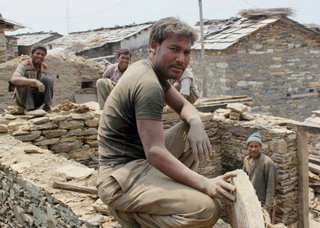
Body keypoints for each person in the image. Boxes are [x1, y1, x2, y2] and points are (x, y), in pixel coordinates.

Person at [97, 17, 236, 228]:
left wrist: (197, 124)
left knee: (188, 128)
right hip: (120, 177)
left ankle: (165, 194)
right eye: (174, 49)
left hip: (140, 163)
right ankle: (129, 214)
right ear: (154, 46)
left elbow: (185, 107)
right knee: (208, 209)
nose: (181, 58)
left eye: (186, 52)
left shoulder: (153, 72)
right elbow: (154, 151)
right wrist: (205, 184)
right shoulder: (148, 85)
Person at [10, 44, 54, 113]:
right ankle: (29, 109)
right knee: (25, 81)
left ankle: (47, 107)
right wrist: (33, 81)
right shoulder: (24, 65)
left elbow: (46, 84)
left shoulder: (44, 67)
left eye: (42, 55)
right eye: (37, 53)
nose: (40, 56)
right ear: (32, 54)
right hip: (23, 100)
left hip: (36, 99)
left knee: (48, 79)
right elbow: (14, 79)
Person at [243, 132, 278, 213]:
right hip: (249, 200)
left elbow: (271, 186)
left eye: (256, 146)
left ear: (260, 147)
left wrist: (267, 207)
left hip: (261, 203)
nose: (253, 149)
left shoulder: (267, 162)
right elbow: (244, 180)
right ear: (247, 147)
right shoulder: (246, 160)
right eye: (251, 146)